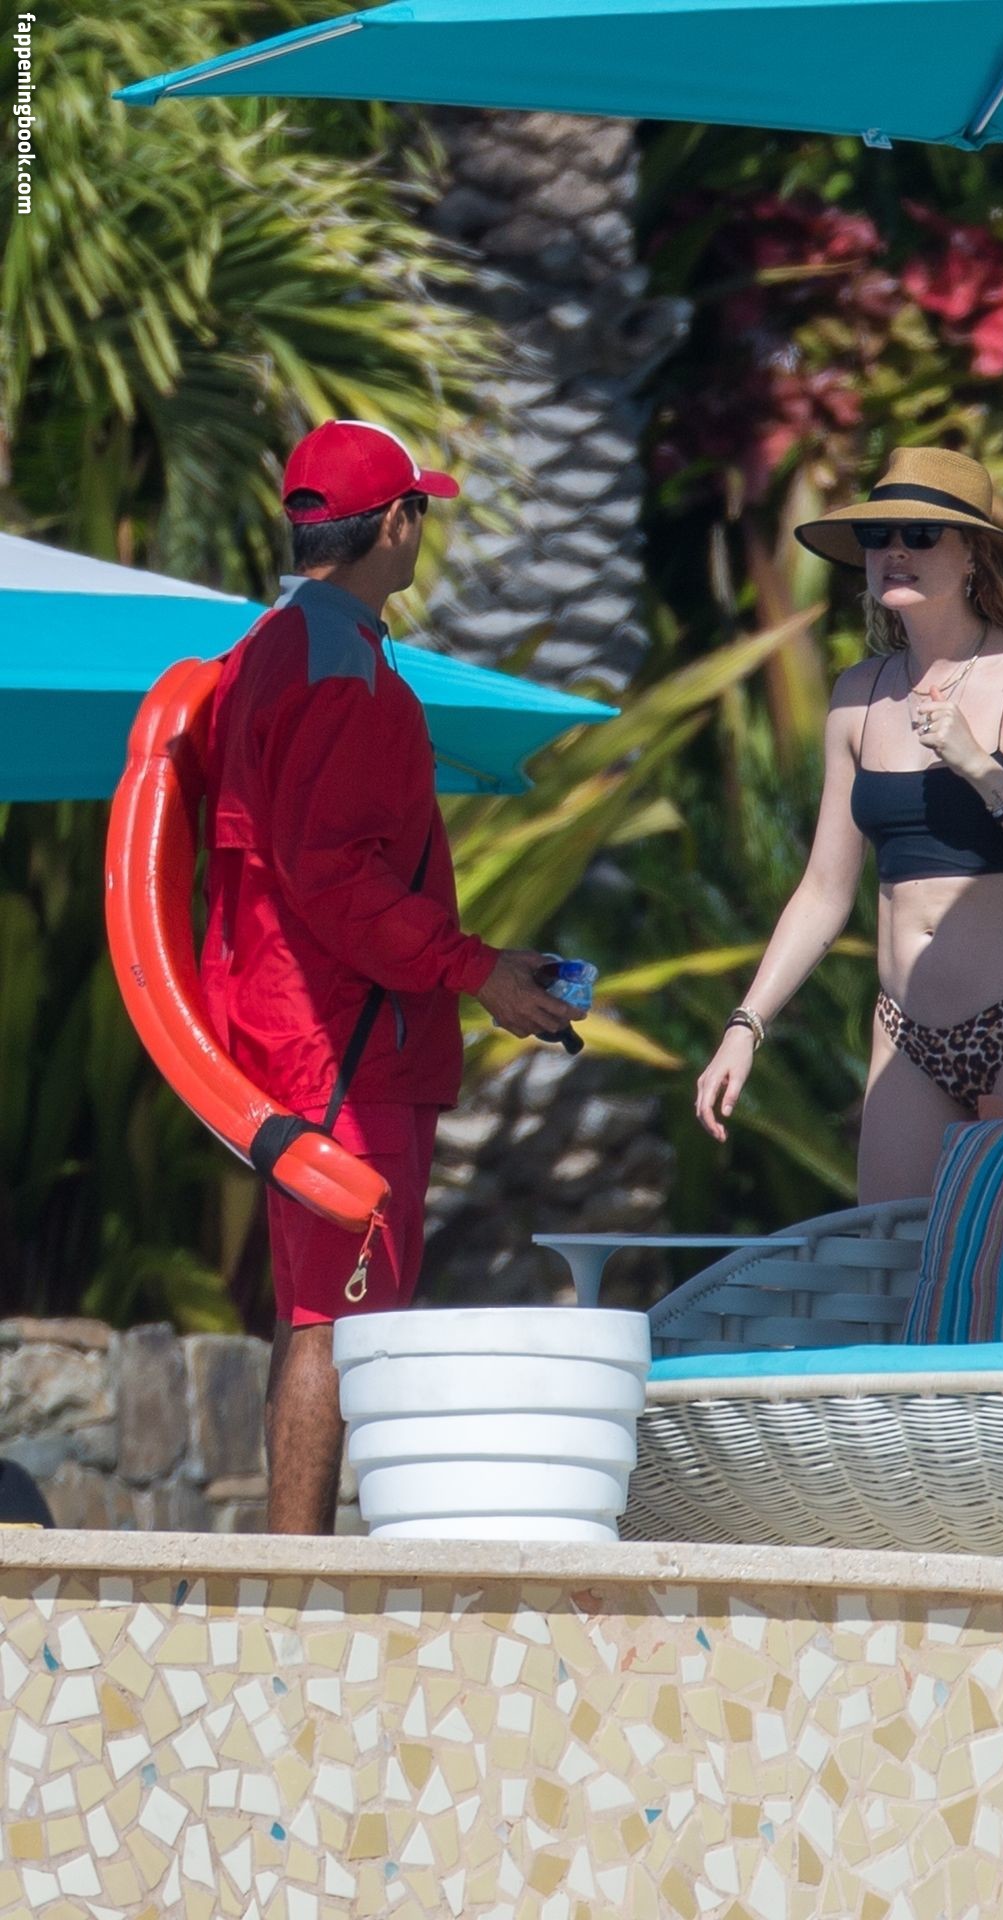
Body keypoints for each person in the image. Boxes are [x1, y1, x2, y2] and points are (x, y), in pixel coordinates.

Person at [200, 418, 573, 1535]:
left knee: (313, 1313)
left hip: (293, 1029)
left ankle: (288, 1573)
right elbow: (336, 882)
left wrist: (474, 967)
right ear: (396, 523)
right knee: (338, 1320)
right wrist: (477, 971)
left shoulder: (269, 649)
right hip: (340, 1047)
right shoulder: (341, 673)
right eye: (422, 510)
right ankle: (294, 1588)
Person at [695, 447, 1003, 1203]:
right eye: (879, 535)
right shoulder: (857, 695)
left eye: (921, 535)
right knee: (894, 1259)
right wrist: (744, 1026)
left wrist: (984, 772)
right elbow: (824, 892)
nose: (895, 551)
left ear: (972, 556)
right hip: (907, 1036)